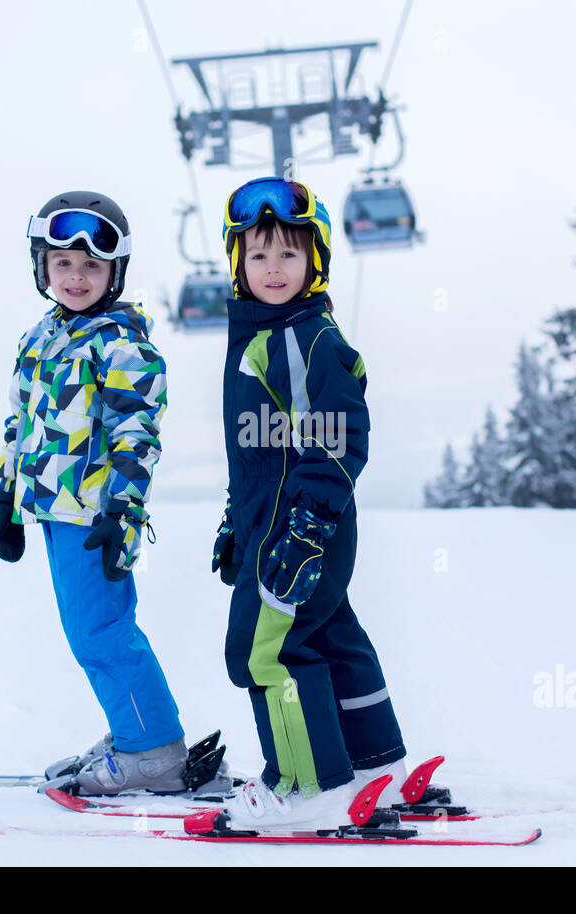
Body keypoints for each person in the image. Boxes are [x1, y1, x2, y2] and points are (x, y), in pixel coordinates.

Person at [211, 176, 408, 829]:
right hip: (278, 524)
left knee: (265, 650)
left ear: (315, 261)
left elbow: (337, 438)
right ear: (237, 260)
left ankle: (308, 788)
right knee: (330, 634)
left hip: (301, 530)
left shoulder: (309, 339)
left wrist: (303, 526)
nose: (273, 268)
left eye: (289, 254)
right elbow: (262, 454)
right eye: (259, 254)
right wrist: (235, 523)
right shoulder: (265, 336)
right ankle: (376, 766)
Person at [0, 189, 188, 795]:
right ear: (42, 267)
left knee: (102, 633)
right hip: (52, 510)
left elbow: (136, 433)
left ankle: (152, 752)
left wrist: (123, 512)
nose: (76, 277)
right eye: (63, 263)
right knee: (88, 632)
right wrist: (5, 495)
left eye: (92, 266)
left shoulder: (120, 345)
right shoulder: (38, 339)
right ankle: (135, 730)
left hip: (95, 516)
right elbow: (18, 424)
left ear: (114, 272)